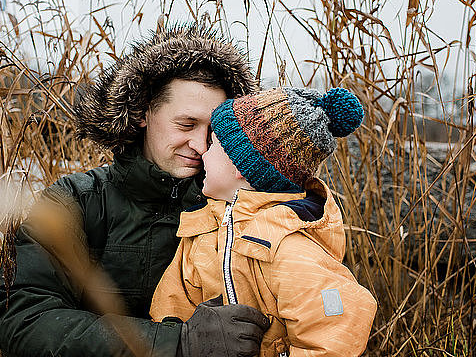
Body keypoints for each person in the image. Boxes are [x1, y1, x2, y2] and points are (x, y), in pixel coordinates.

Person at [0, 24, 271, 357]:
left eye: (213, 130)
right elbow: (24, 319)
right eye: (186, 124)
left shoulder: (240, 206)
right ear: (142, 113)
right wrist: (177, 344)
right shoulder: (78, 201)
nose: (199, 144)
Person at [150, 86, 378, 356]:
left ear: (238, 164)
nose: (203, 153)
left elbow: (334, 336)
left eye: (213, 145)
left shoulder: (290, 249)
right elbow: (171, 308)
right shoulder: (203, 233)